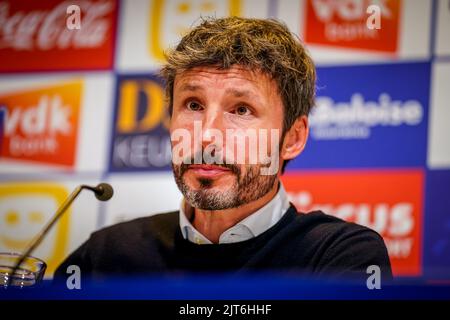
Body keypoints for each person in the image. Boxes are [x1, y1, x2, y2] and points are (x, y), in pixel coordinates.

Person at [54, 16, 392, 282]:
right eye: (194, 105)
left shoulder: (339, 257)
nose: (207, 136)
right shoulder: (107, 256)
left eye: (241, 109)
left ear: (292, 138)